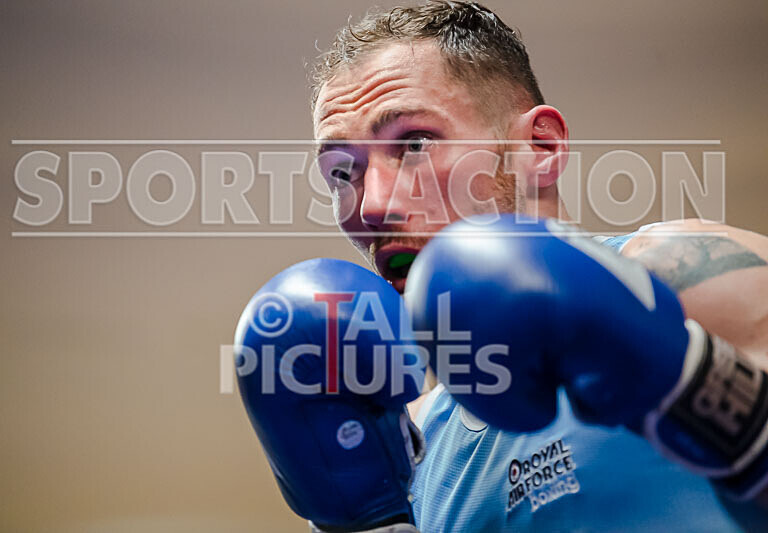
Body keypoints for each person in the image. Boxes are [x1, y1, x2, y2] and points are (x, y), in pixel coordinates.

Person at [236, 2, 768, 531]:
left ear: (540, 145)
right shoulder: (408, 442)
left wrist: (697, 386)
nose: (370, 204)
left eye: (415, 143)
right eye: (341, 171)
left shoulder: (687, 276)